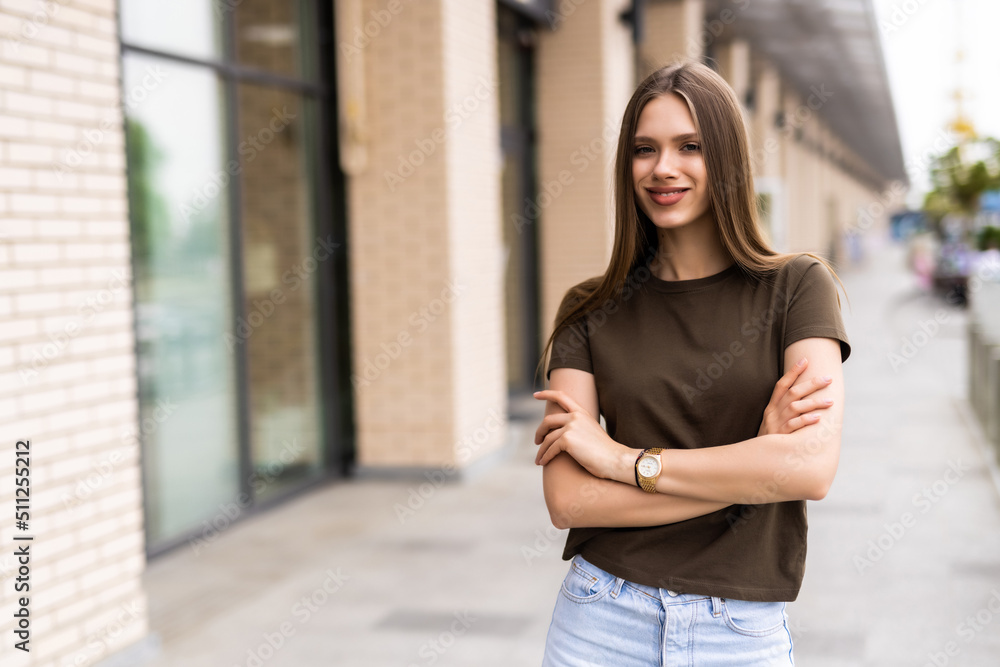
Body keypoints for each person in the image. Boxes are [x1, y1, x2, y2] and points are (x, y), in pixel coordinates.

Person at [532, 60, 851, 666]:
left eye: (690, 146)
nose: (662, 169)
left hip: (738, 632)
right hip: (600, 616)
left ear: (727, 158)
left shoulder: (797, 286)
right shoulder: (589, 307)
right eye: (643, 149)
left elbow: (810, 470)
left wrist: (621, 461)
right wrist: (754, 467)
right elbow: (569, 502)